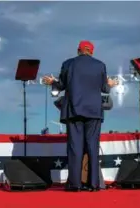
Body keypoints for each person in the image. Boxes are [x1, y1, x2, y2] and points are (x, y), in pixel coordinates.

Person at [43, 40, 117, 192]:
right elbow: (104, 89)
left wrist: (52, 82)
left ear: (78, 50)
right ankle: (94, 184)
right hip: (94, 112)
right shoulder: (100, 65)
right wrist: (110, 84)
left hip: (74, 111)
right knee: (92, 147)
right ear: (92, 51)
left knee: (75, 148)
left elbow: (61, 85)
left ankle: (75, 184)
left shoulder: (68, 64)